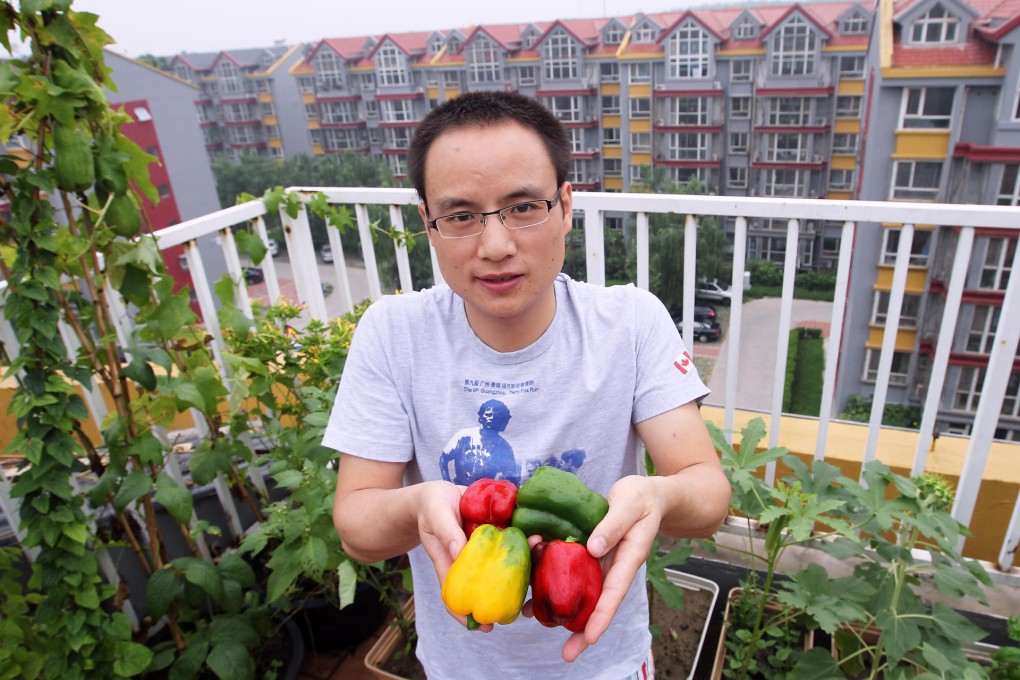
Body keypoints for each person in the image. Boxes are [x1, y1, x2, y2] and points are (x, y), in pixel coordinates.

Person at [327, 91, 730, 679]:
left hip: (606, 662)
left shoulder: (630, 323)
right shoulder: (393, 334)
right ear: (428, 225)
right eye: (461, 216)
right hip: (460, 664)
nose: (495, 246)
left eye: (523, 207)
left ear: (566, 205)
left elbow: (708, 492)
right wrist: (419, 503)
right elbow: (356, 524)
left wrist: (659, 496)